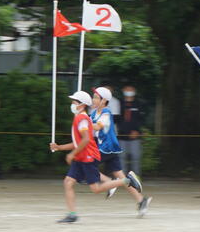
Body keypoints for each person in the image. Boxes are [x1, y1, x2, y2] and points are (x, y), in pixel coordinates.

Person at [50, 91, 143, 224]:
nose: (72, 104)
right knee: (68, 182)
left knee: (96, 189)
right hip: (81, 157)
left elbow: (86, 140)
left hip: (87, 157)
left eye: (74, 102)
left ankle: (127, 181)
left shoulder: (82, 119)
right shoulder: (81, 118)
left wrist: (72, 154)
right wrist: (59, 147)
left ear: (82, 105)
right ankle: (72, 214)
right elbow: (77, 142)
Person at [91, 86, 151, 217]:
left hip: (106, 148)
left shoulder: (106, 113)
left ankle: (109, 182)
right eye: (93, 96)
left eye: (95, 97)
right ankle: (141, 200)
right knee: (120, 175)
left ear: (104, 101)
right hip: (108, 148)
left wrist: (84, 122)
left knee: (87, 166)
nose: (93, 99)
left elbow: (97, 127)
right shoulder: (94, 113)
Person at [117, 85, 144, 176]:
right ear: (123, 90)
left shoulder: (139, 104)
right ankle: (122, 178)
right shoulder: (119, 103)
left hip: (135, 136)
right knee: (121, 158)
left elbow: (141, 119)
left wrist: (137, 131)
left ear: (135, 91)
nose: (129, 91)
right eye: (127, 89)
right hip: (121, 136)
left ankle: (136, 177)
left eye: (131, 89)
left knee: (136, 158)